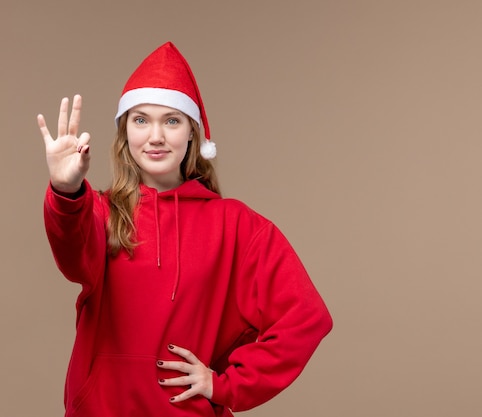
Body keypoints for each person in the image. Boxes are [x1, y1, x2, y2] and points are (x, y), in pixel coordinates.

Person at [37, 42, 333, 417]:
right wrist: (66, 191)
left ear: (192, 133)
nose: (155, 136)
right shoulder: (98, 211)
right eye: (140, 119)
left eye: (171, 121)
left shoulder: (237, 225)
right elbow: (72, 253)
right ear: (124, 131)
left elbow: (306, 319)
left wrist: (225, 384)